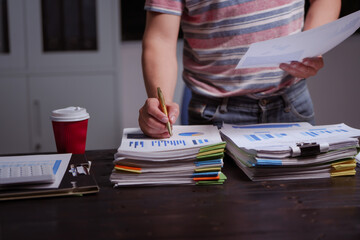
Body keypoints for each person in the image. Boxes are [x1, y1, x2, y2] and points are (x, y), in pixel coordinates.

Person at [138, 0, 341, 138]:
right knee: (216, 202)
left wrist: (312, 44)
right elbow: (160, 40)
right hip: (214, 115)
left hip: (291, 103)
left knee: (305, 199)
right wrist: (161, 109)